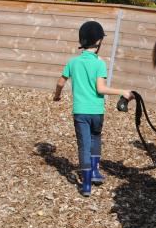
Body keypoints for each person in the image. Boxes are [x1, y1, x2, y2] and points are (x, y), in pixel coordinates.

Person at [53, 21, 134, 197]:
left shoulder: (73, 62)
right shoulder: (99, 63)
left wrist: (57, 95)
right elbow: (101, 89)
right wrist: (124, 92)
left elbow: (60, 82)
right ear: (98, 41)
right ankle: (96, 171)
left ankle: (86, 184)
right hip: (97, 112)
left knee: (84, 145)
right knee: (95, 138)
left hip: (80, 111)